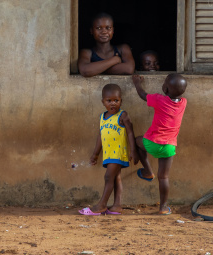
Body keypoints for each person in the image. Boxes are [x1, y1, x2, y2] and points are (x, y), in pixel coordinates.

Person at [131, 73, 187, 215]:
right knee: (164, 177)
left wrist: (137, 83)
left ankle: (148, 171)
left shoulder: (158, 99)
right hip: (169, 147)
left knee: (138, 141)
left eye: (165, 84)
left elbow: (143, 95)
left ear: (166, 90)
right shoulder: (183, 103)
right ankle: (163, 207)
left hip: (151, 143)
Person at [79, 84, 138, 216]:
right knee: (116, 177)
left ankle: (101, 205)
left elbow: (130, 133)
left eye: (116, 100)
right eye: (109, 101)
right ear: (103, 102)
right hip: (108, 154)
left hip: (118, 153)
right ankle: (117, 205)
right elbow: (100, 136)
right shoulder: (102, 117)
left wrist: (133, 151)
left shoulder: (123, 115)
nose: (113, 103)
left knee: (108, 177)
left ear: (121, 101)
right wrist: (95, 154)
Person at [78, 13, 135, 77]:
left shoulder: (122, 48)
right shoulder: (86, 52)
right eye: (99, 28)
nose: (104, 32)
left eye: (108, 28)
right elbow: (85, 71)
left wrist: (95, 69)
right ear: (91, 31)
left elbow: (129, 69)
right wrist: (115, 60)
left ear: (113, 30)